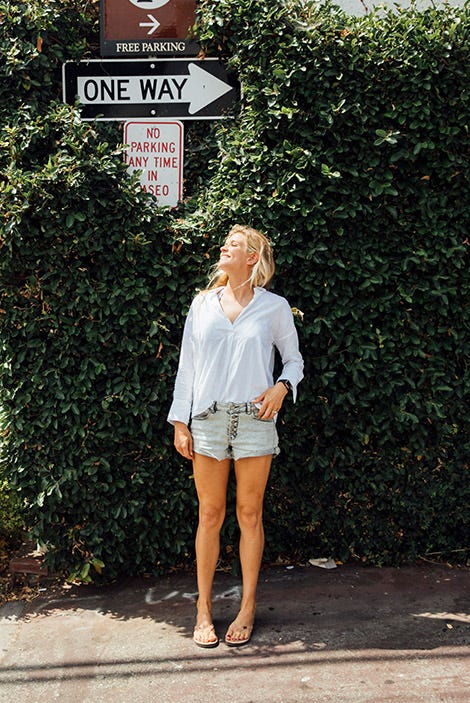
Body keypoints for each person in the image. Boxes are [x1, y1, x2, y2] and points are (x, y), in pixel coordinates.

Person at [168, 224, 303, 648]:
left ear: (252, 258)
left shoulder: (274, 307)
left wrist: (283, 387)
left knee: (249, 514)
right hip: (206, 419)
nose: (225, 248)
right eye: (226, 244)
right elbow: (187, 366)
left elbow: (294, 360)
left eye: (235, 244)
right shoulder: (202, 304)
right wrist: (179, 421)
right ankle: (203, 609)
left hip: (254, 420)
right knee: (209, 515)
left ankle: (247, 607)